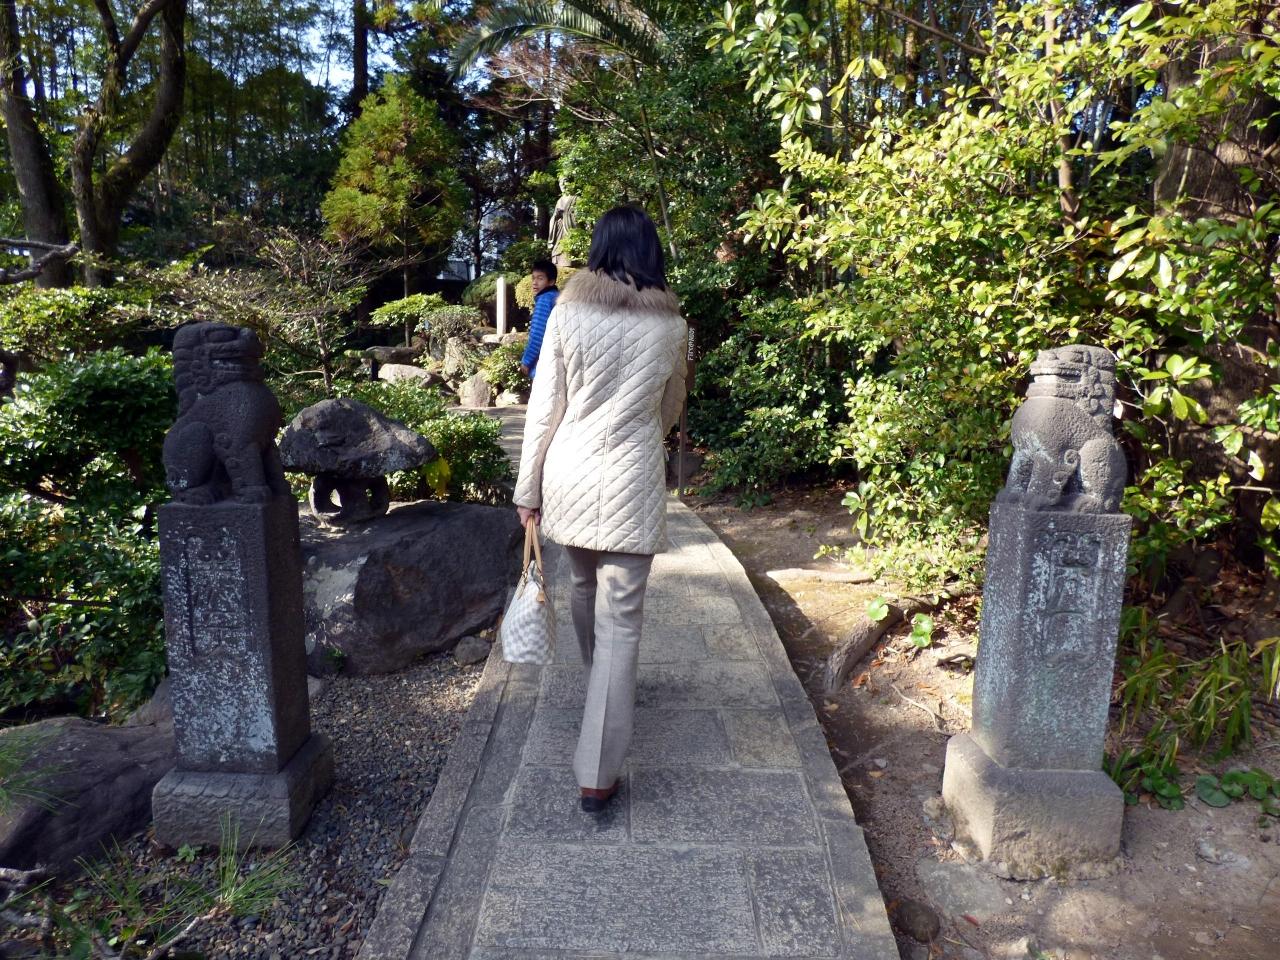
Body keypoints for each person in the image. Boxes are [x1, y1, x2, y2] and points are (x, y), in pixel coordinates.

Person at [513, 206, 687, 813]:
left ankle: (598, 685)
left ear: (599, 248)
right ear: (650, 251)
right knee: (623, 618)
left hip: (568, 470)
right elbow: (670, 406)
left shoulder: (566, 311)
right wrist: (640, 436)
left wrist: (527, 490)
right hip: (633, 477)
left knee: (583, 586)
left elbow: (544, 407)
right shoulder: (672, 326)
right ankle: (596, 772)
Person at [520, 260, 559, 379]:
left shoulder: (545, 299)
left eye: (540, 278)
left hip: (546, 360)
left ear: (551, 281)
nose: (534, 282)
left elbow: (538, 333)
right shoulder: (556, 296)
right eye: (533, 278)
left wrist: (526, 361)